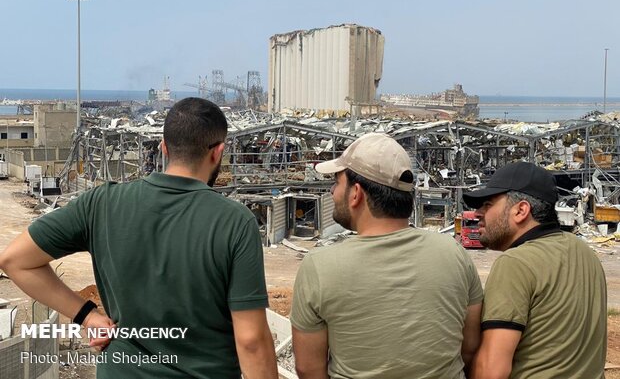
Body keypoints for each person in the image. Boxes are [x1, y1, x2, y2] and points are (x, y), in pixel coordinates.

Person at [0, 98, 278, 379]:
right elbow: (251, 341)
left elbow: (15, 261)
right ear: (218, 152)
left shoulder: (102, 203)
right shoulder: (235, 221)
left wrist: (87, 315)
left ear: (164, 148)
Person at [291, 132, 483, 379]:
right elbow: (469, 348)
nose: (331, 190)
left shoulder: (319, 266)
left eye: (337, 182)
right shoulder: (455, 254)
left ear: (356, 193)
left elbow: (309, 369)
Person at [462, 161, 606, 379]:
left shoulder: (516, 263)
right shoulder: (583, 250)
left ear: (521, 210)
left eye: (487, 205)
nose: (477, 214)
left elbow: (491, 371)